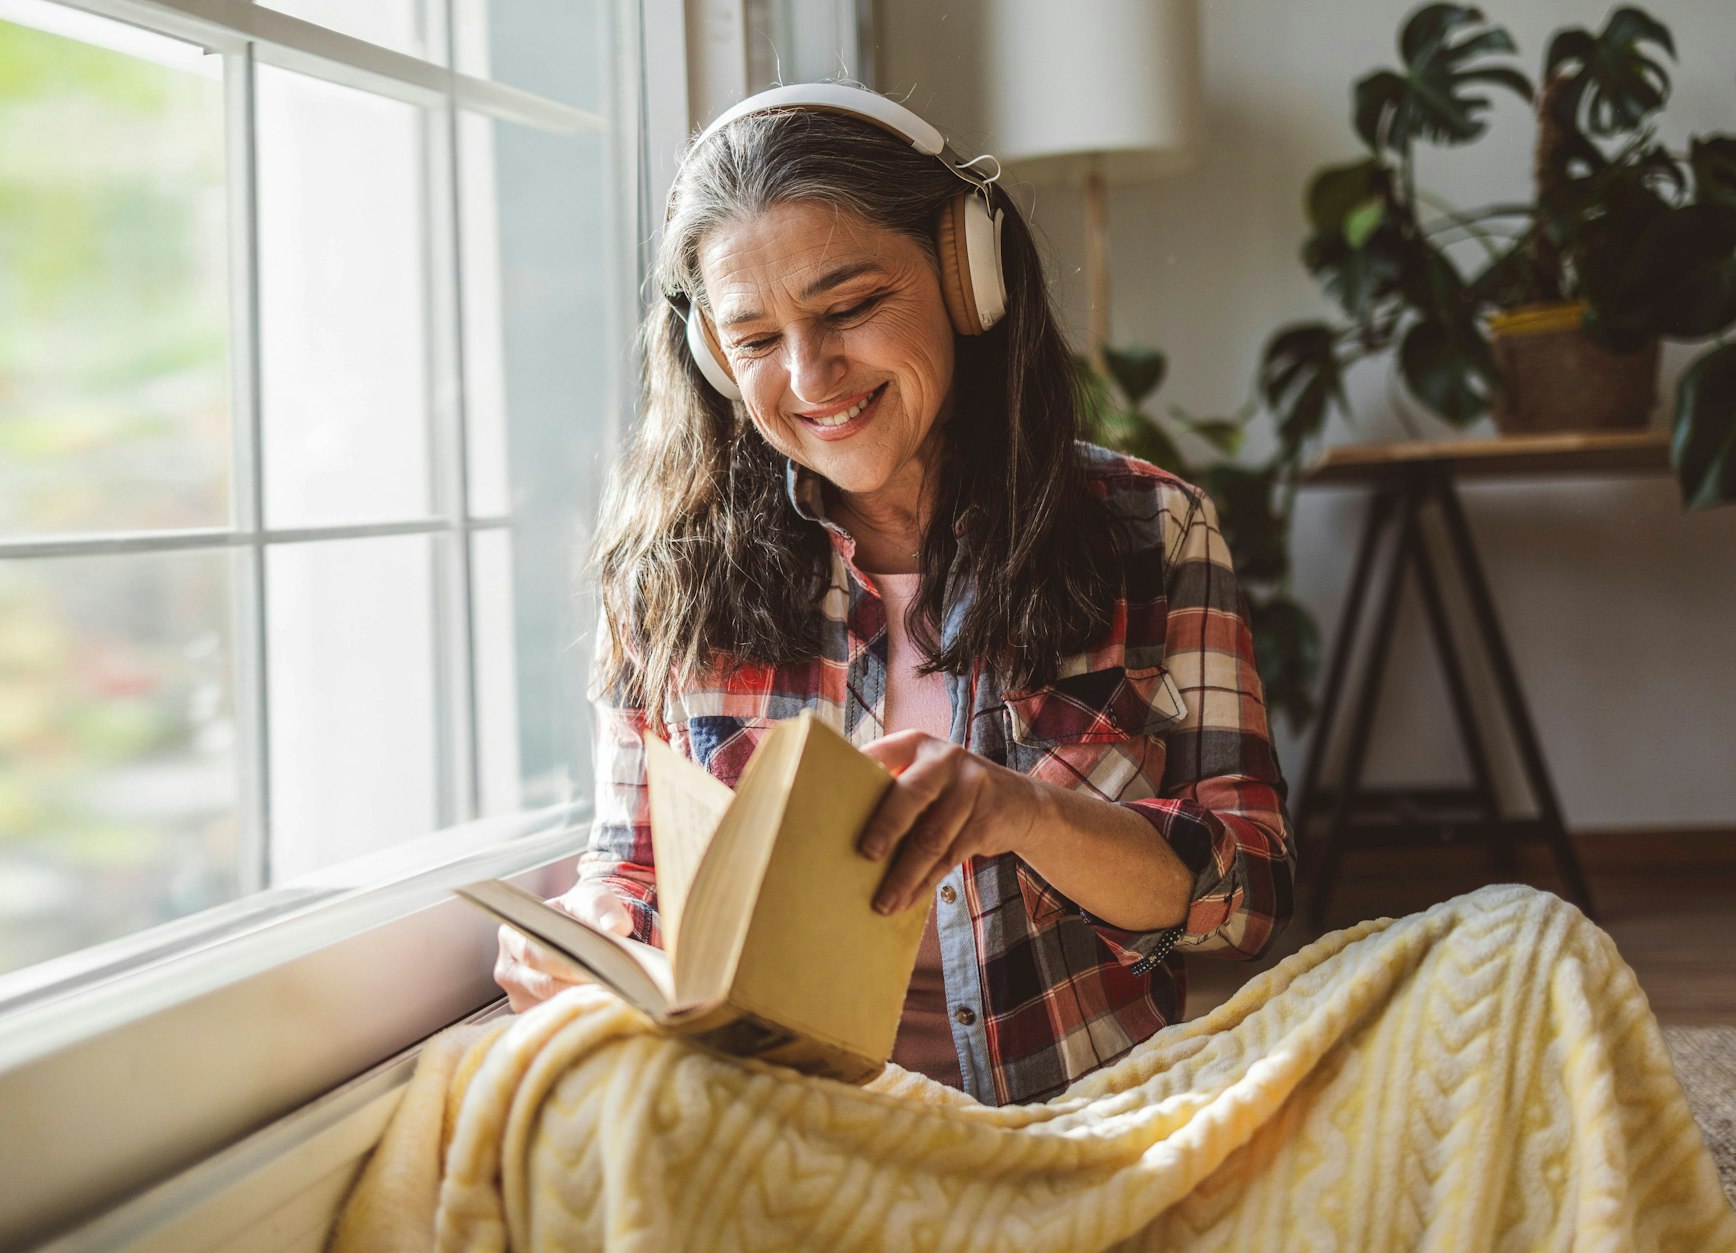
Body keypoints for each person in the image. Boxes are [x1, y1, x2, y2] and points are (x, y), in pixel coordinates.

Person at [491, 82, 1294, 1107]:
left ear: (969, 279)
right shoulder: (662, 570)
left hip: (1077, 1131)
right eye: (754, 339)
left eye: (850, 307)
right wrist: (584, 927)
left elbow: (1250, 897)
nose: (809, 375)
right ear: (710, 354)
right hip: (791, 1129)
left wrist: (1024, 813)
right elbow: (632, 865)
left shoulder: (1154, 529)